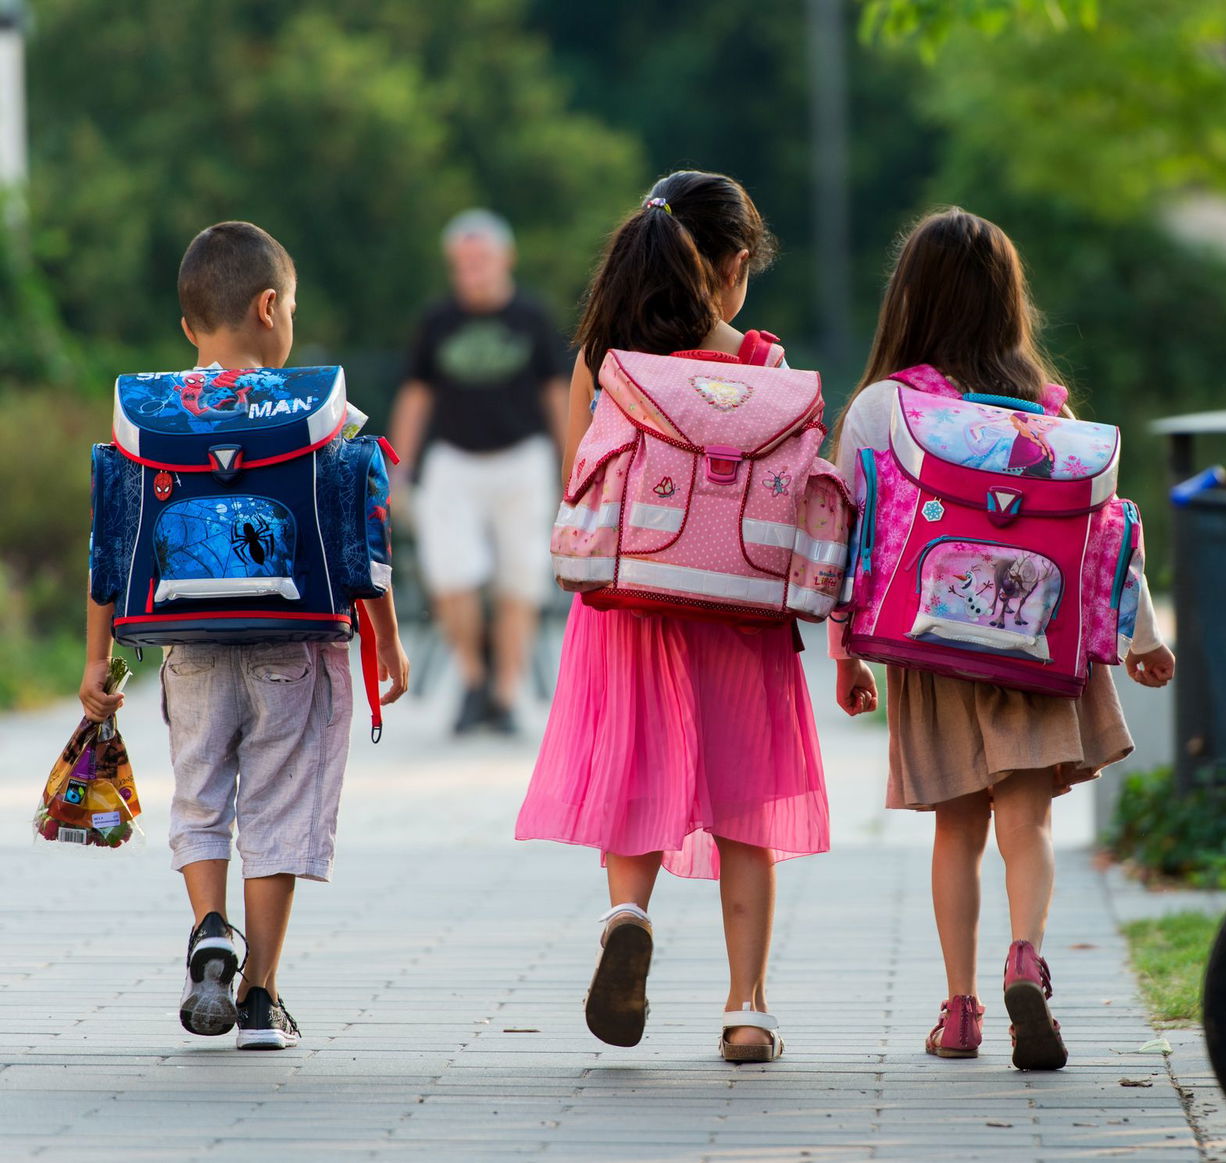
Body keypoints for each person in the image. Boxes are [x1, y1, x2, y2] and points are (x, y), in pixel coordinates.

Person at [829, 208, 1176, 1071]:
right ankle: (1027, 953)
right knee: (1028, 824)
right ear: (1008, 304)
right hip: (1033, 644)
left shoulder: (884, 409)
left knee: (957, 831)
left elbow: (845, 531)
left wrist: (846, 651)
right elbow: (1105, 537)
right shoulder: (1049, 418)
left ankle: (959, 1010)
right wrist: (1143, 634)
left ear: (909, 299)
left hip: (931, 641)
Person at [515, 172, 829, 1063]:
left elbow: (583, 476)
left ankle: (627, 914)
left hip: (628, 606)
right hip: (742, 613)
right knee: (747, 807)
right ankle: (747, 1008)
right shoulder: (764, 365)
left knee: (635, 777)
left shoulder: (603, 361)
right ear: (731, 265)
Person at [79, 221, 411, 1050]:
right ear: (271, 307)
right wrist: (388, 644)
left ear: (189, 326)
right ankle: (261, 996)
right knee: (278, 807)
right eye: (289, 304)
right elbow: (360, 538)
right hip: (293, 643)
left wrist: (95, 658)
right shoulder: (316, 410)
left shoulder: (149, 414)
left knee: (201, 796)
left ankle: (210, 928)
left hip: (187, 641)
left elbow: (111, 539)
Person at [389, 209, 568, 735]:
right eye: (462, 263)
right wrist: (400, 470)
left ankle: (507, 691)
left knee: (521, 577)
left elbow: (557, 395)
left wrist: (571, 466)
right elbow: (416, 395)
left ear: (504, 259)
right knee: (451, 575)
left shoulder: (532, 318)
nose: (471, 271)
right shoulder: (438, 321)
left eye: (480, 260)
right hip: (454, 461)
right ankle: (472, 677)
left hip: (523, 459)